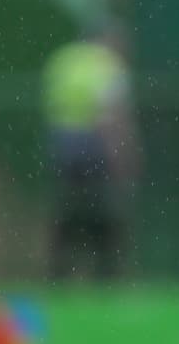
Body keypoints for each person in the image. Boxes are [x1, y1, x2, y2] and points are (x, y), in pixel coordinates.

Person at [41, 22, 141, 279]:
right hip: (95, 145)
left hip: (63, 144)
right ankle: (106, 271)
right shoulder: (108, 66)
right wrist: (123, 154)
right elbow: (112, 117)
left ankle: (60, 268)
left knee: (68, 207)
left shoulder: (63, 60)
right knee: (103, 207)